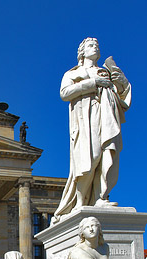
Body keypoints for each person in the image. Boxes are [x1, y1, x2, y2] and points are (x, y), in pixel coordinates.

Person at [52, 38, 132, 224]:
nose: (95, 47)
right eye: (90, 45)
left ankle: (101, 197)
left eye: (96, 45)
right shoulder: (74, 73)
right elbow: (65, 93)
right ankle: (80, 202)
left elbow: (122, 97)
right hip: (85, 119)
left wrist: (121, 83)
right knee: (89, 157)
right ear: (81, 52)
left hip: (106, 116)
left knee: (107, 155)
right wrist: (92, 83)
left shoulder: (106, 72)